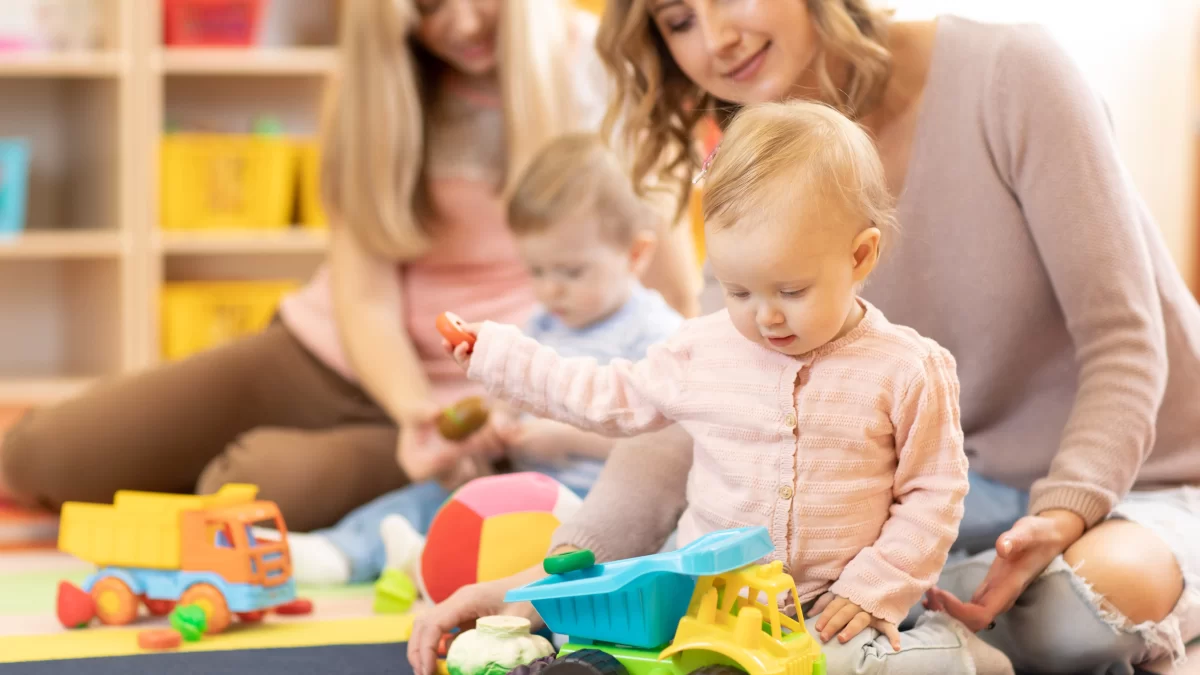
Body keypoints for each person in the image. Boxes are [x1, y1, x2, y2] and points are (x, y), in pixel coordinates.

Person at [409, 2, 1200, 674]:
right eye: (678, 20)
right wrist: (544, 586)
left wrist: (1062, 515)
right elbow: (691, 419)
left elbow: (1126, 346)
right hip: (925, 515)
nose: (714, 38)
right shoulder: (760, 171)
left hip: (1130, 486)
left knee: (1073, 610)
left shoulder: (1008, 72)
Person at [0, 0, 701, 533]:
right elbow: (364, 299)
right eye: (425, 6)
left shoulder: (591, 65)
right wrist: (409, 410)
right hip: (338, 357)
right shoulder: (371, 84)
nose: (460, 23)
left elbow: (664, 259)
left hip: (489, 395)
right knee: (39, 456)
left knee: (242, 489)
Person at [442, 101, 1022, 675]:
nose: (765, 316)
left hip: (836, 611)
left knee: (844, 666)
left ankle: (955, 651)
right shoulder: (702, 349)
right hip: (710, 605)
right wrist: (498, 355)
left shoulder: (908, 368)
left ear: (859, 255)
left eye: (790, 291)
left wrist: (876, 587)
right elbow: (606, 395)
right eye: (737, 290)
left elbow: (933, 493)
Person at [280, 132, 685, 585]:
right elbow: (510, 398)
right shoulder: (544, 324)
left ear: (635, 255)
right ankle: (343, 551)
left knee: (551, 547)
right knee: (439, 497)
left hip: (606, 504)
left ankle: (429, 564)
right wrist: (495, 427)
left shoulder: (657, 334)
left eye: (571, 272)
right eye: (535, 271)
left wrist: (565, 439)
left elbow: (668, 443)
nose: (551, 288)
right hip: (526, 487)